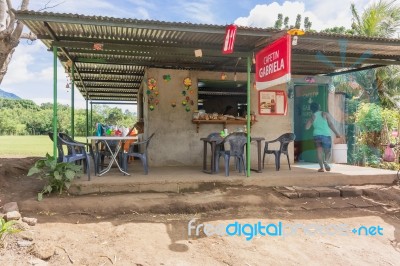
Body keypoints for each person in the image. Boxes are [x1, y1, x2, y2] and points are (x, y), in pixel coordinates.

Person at [305, 102, 341, 172]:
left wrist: (310, 120)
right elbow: (330, 124)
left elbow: (307, 127)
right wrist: (337, 133)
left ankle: (321, 168)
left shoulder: (313, 116)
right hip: (326, 135)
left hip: (316, 135)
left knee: (319, 152)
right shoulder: (325, 114)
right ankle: (326, 161)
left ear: (311, 109)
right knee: (328, 152)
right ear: (319, 107)